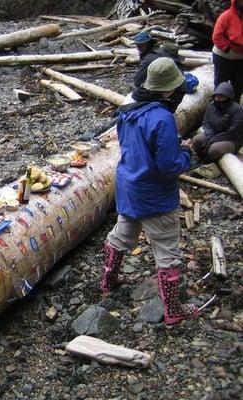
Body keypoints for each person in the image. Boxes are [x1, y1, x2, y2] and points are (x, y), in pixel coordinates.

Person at [100, 58, 199, 325]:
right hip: (154, 193)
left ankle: (107, 282)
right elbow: (168, 166)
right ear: (169, 89)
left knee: (122, 233)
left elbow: (136, 146)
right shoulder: (163, 117)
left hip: (128, 186)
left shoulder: (128, 107)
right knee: (166, 249)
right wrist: (186, 154)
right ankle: (173, 310)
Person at [192, 81, 243, 161]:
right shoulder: (212, 106)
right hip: (213, 134)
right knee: (196, 140)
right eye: (217, 97)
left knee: (214, 149)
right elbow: (206, 122)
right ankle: (202, 160)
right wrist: (209, 135)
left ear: (229, 97)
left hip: (232, 140)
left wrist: (212, 140)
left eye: (222, 97)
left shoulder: (237, 110)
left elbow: (232, 132)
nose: (218, 99)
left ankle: (210, 162)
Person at [212, 0, 243, 103]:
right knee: (221, 86)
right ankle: (217, 111)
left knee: (238, 87)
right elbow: (217, 36)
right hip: (223, 57)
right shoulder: (226, 16)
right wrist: (227, 48)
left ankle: (235, 112)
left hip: (240, 58)